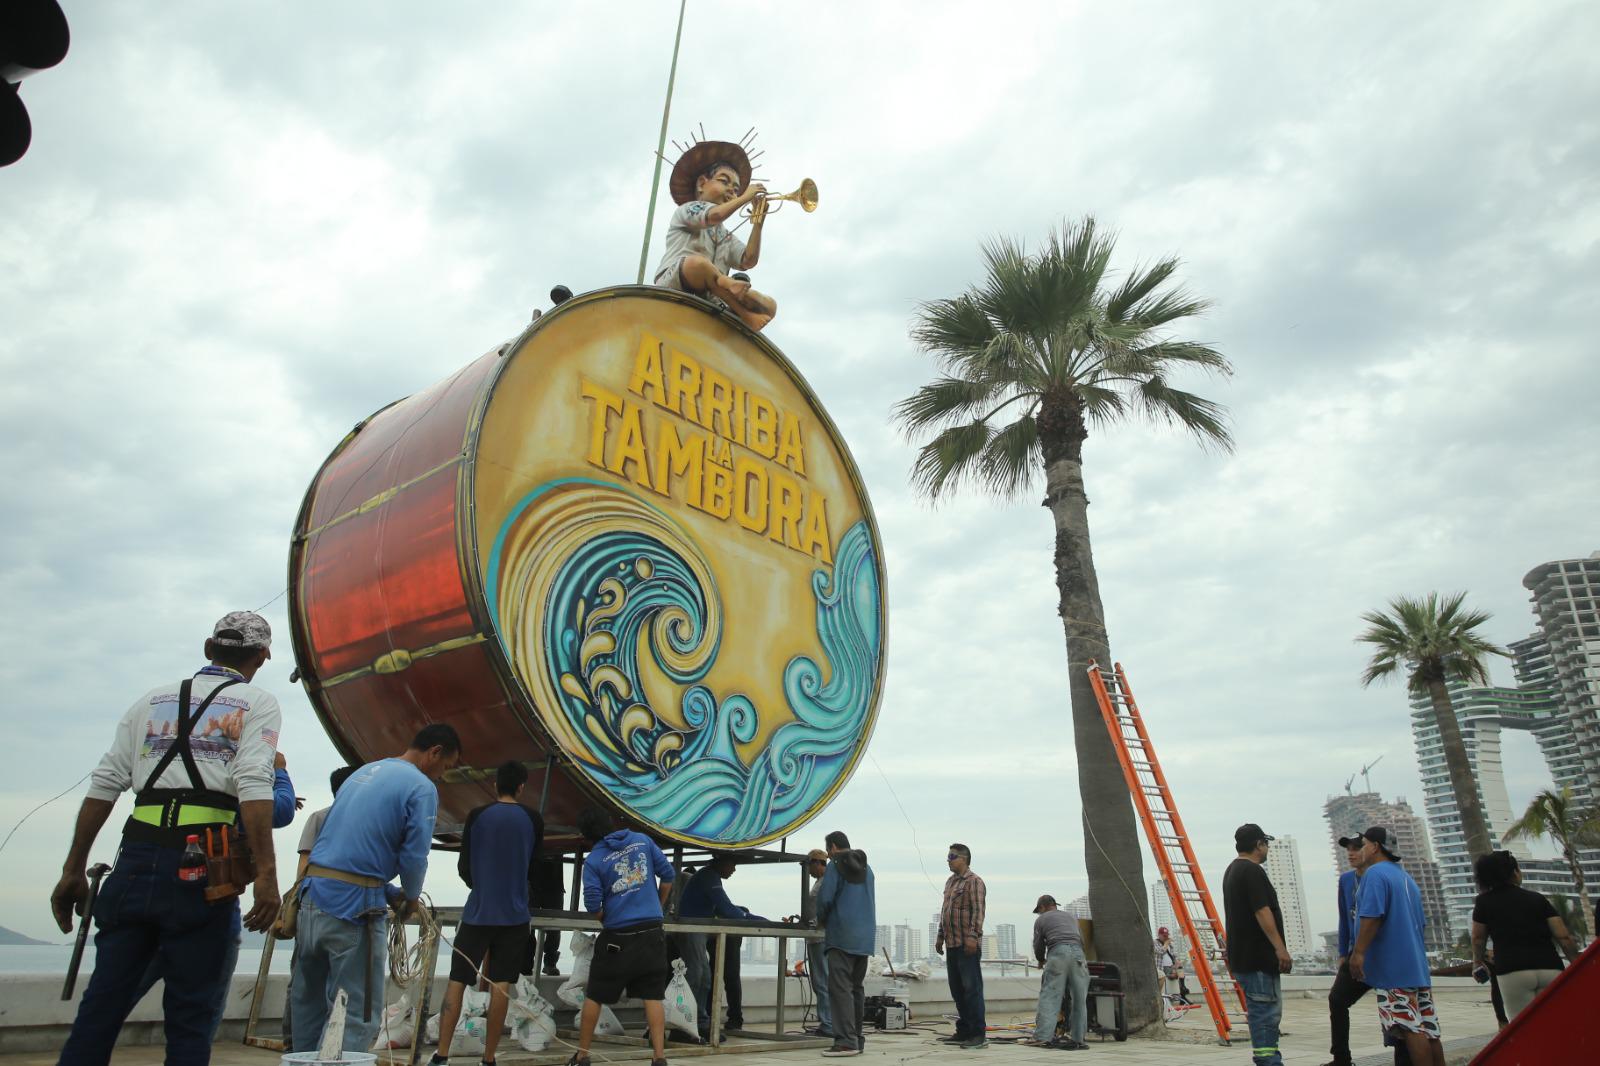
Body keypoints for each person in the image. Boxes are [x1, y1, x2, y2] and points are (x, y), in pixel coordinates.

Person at [50, 611, 283, 1066]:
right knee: (191, 1017)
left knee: (101, 1008)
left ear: (207, 649)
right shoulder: (256, 702)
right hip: (204, 866)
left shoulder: (150, 701)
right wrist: (267, 874)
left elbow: (105, 783)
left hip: (135, 860)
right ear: (261, 656)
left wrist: (72, 869)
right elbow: (254, 783)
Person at [290, 724, 461, 1054]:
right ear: (435, 752)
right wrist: (410, 898)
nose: (442, 775)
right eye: (446, 767)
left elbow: (341, 845)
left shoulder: (365, 772)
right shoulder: (421, 787)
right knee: (359, 1012)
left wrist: (387, 892)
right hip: (354, 907)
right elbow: (414, 856)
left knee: (307, 1005)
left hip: (311, 899)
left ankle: (302, 1060)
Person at [129, 748, 301, 1041]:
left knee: (121, 989)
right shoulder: (236, 776)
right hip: (207, 895)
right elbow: (281, 811)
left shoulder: (172, 775)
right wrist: (280, 772)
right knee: (200, 1007)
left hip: (145, 881)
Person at [432, 760, 544, 1066]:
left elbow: (464, 866)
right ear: (521, 787)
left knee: (457, 980)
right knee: (501, 986)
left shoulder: (477, 816)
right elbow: (535, 866)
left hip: (478, 913)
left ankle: (441, 1056)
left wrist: (479, 886)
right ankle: (489, 1057)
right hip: (515, 916)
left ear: (496, 785)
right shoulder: (533, 819)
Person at [571, 807, 676, 1066]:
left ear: (587, 835)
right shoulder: (642, 840)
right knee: (653, 996)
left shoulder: (594, 860)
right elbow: (668, 875)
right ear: (609, 822)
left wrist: (607, 918)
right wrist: (658, 907)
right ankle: (659, 1058)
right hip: (653, 934)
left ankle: (583, 1055)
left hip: (617, 937)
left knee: (595, 994)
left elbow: (593, 904)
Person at [653, 138, 778, 332]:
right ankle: (733, 295)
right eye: (724, 181)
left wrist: (758, 222)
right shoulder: (689, 209)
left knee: (769, 305)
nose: (731, 191)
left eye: (736, 190)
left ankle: (728, 290)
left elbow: (748, 260)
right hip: (676, 282)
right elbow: (716, 215)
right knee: (699, 264)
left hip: (711, 299)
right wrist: (745, 197)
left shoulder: (724, 235)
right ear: (702, 183)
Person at [1346, 827, 1442, 1066]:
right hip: (1417, 966)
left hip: (1394, 968)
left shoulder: (1375, 874)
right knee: (1429, 1028)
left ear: (1375, 846)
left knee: (1409, 1026)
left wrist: (1358, 953)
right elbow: (1421, 922)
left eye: (1364, 844)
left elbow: (1372, 915)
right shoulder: (1405, 878)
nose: (1361, 849)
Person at [282, 764, 360, 1048]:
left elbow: (304, 866)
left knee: (303, 984)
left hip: (311, 907)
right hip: (347, 910)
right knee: (341, 988)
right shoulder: (359, 820)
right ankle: (328, 1047)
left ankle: (295, 1044)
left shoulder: (319, 817)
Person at [1324, 835, 1413, 1066]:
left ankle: (1403, 1058)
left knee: (1397, 1011)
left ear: (1371, 849)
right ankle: (1341, 1058)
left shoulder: (1382, 876)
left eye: (1357, 848)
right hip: (1358, 954)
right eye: (1348, 850)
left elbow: (1377, 916)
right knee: (1337, 999)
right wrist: (1344, 953)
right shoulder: (1346, 881)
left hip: (1384, 955)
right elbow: (1345, 918)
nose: (1352, 853)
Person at [1470, 850, 1578, 1021]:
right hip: (1550, 967)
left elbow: (1478, 938)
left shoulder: (1484, 902)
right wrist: (1576, 964)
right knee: (1557, 1021)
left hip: (1512, 971)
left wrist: (1477, 962)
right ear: (1513, 873)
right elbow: (1564, 937)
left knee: (1524, 1026)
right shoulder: (1537, 899)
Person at [1223, 823, 1292, 1066]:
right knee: (1266, 1016)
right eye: (1266, 844)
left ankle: (1267, 1060)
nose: (1268, 849)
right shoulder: (1252, 871)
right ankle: (1269, 1062)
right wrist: (1279, 947)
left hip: (1243, 958)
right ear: (1258, 845)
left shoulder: (1232, 870)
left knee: (1260, 1014)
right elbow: (1262, 911)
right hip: (1259, 960)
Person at [677, 855, 765, 1038]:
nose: (734, 869)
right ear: (722, 862)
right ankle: (685, 1024)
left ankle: (700, 1021)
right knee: (696, 976)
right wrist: (758, 920)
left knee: (705, 977)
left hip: (698, 931)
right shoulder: (709, 876)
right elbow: (726, 908)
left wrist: (751, 917)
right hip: (692, 929)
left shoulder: (710, 877)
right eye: (733, 863)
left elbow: (721, 907)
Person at [816, 830, 875, 1058]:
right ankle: (857, 1039)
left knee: (839, 989)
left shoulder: (835, 865)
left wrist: (820, 920)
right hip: (864, 938)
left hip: (842, 935)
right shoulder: (867, 868)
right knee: (855, 989)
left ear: (831, 848)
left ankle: (845, 1042)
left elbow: (826, 898)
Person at [935, 842, 988, 1049]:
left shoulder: (974, 882)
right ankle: (964, 1030)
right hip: (952, 944)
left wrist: (973, 937)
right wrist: (940, 937)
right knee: (957, 990)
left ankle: (978, 1034)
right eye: (948, 856)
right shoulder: (950, 883)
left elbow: (978, 911)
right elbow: (945, 911)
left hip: (967, 945)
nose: (948, 860)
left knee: (972, 990)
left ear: (963, 859)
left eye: (952, 856)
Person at [1028, 894, 1089, 1049]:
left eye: (1039, 910)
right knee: (1079, 999)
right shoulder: (1070, 917)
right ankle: (1078, 1039)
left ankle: (1042, 1037)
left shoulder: (1041, 920)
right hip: (1078, 955)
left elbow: (1038, 945)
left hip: (1058, 953)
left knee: (1050, 996)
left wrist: (1041, 960)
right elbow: (1081, 940)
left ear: (1042, 907)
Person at [803, 849, 832, 1038]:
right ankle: (826, 1022)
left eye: (810, 866)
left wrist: (814, 923)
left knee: (822, 982)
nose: (809, 871)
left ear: (817, 864)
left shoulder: (826, 883)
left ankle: (828, 1024)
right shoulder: (818, 883)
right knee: (819, 982)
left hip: (821, 937)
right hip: (815, 937)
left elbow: (826, 909)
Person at [528, 857, 565, 975]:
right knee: (527, 926)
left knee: (555, 926)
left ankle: (550, 962)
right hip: (531, 881)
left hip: (553, 881)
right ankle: (526, 963)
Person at [1153, 926, 1192, 1007]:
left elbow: (1173, 955)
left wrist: (1177, 962)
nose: (1166, 937)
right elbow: (1160, 952)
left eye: (1167, 935)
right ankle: (1164, 997)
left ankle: (1183, 994)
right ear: (1159, 935)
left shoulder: (1170, 945)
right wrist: (1166, 944)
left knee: (1180, 970)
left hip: (1170, 967)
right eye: (1164, 936)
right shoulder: (1155, 943)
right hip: (1161, 968)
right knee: (1173, 974)